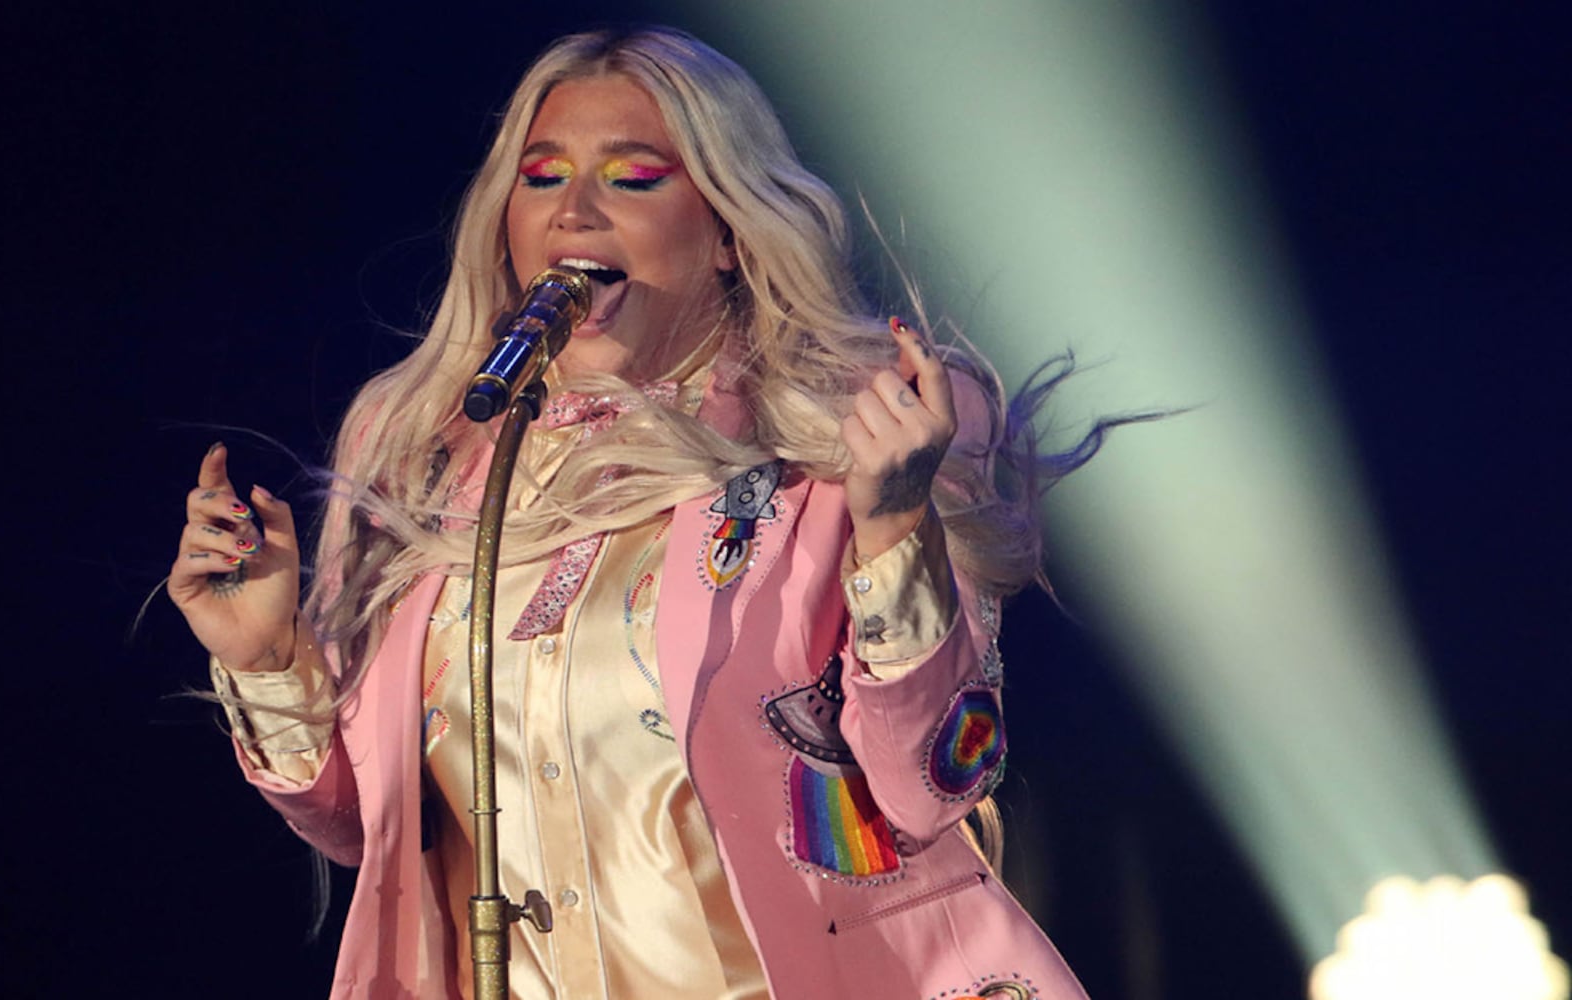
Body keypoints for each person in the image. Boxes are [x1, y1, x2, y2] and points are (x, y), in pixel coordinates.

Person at [169, 25, 1091, 1000]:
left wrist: (897, 528)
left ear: (729, 230)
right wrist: (269, 662)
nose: (574, 211)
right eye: (542, 176)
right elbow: (370, 830)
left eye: (633, 178)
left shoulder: (847, 442)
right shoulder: (425, 456)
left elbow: (927, 789)